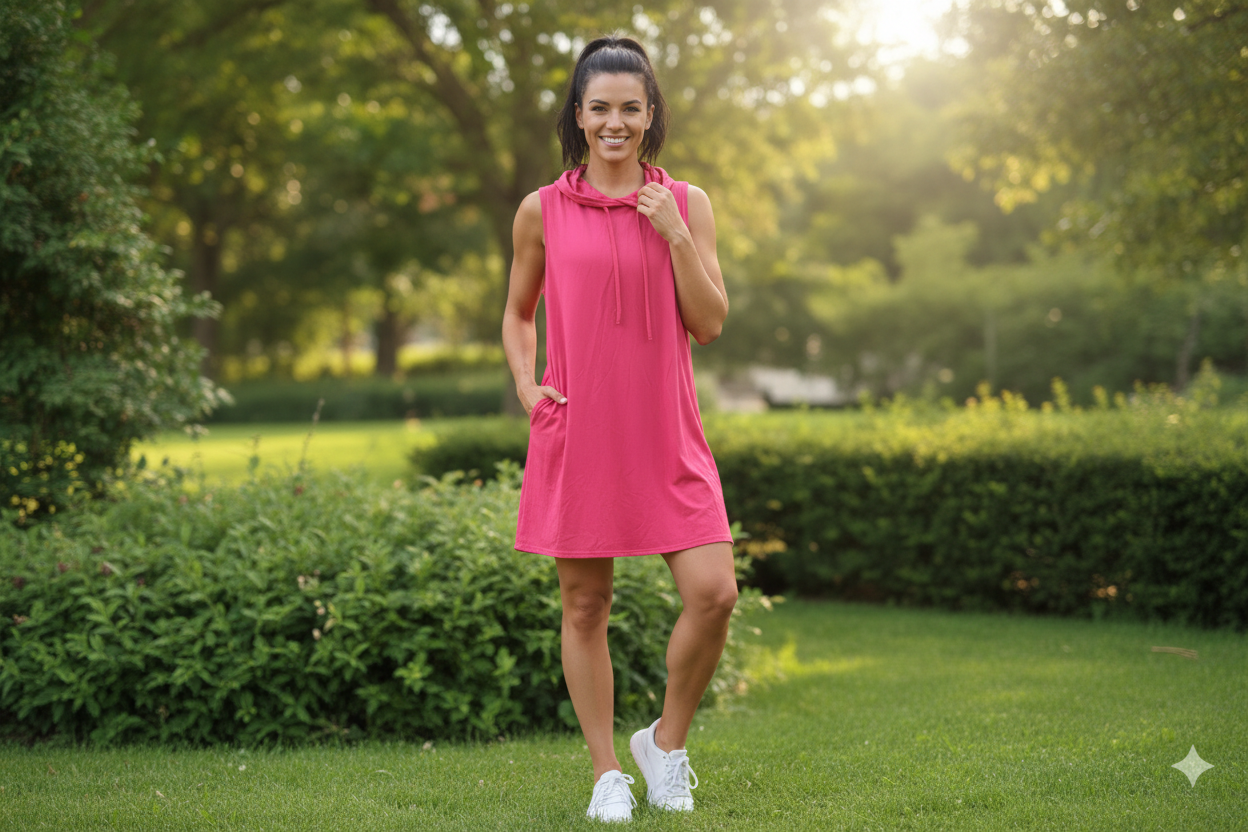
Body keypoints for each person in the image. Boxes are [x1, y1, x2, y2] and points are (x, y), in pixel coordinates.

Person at [501, 34, 738, 823]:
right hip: (580, 434)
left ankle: (664, 746)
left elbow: (709, 323)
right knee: (584, 607)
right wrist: (528, 385)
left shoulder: (688, 203)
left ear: (649, 115)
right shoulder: (541, 209)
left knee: (715, 594)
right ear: (578, 116)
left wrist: (671, 229)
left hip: (668, 435)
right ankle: (607, 770)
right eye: (598, 108)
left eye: (628, 108)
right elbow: (516, 312)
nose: (614, 122)